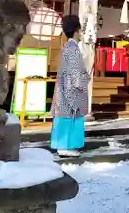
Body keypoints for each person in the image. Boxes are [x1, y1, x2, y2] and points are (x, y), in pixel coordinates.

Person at [50, 15, 90, 158]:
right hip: (70, 90)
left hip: (63, 87)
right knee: (69, 117)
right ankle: (65, 146)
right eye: (80, 31)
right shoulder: (73, 49)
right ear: (76, 30)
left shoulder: (66, 47)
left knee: (64, 117)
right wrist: (85, 79)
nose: (81, 34)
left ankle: (62, 145)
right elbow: (75, 73)